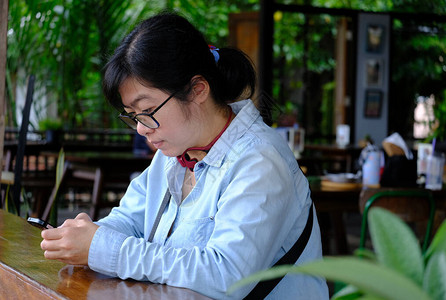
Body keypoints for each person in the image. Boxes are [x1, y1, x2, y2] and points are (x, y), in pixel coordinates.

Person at [40, 12, 329, 299]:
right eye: (132, 116)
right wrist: (86, 237)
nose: (141, 128)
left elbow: (225, 275)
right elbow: (131, 219)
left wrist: (104, 249)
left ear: (197, 90)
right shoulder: (174, 153)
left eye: (148, 111)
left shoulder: (260, 162)